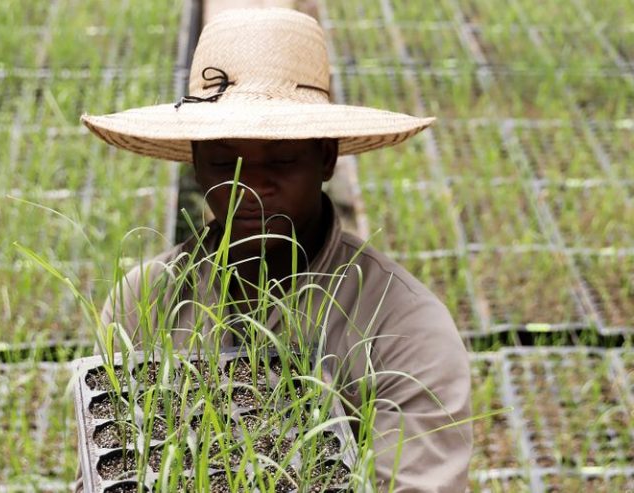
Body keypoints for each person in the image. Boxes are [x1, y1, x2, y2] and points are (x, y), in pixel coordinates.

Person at [79, 8, 471, 492]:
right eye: (225, 161)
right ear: (197, 163)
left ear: (325, 157)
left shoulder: (401, 325)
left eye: (282, 160)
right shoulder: (144, 301)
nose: (250, 185)